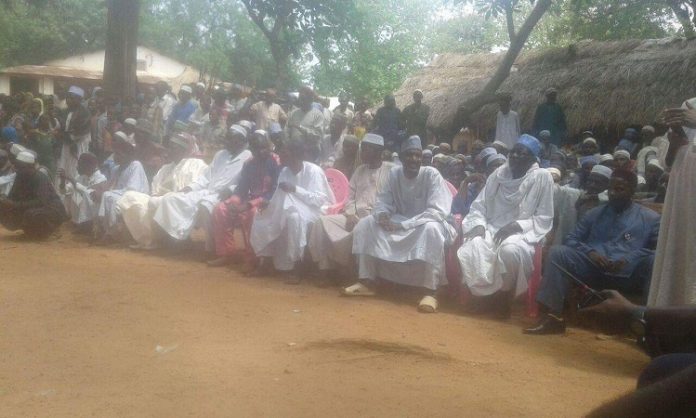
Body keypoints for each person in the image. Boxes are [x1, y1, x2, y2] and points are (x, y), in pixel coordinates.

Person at [525, 169, 660, 335]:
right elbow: (572, 239)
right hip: (594, 268)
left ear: (632, 191)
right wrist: (590, 253)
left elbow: (656, 249)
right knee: (558, 253)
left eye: (619, 189)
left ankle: (648, 325)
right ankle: (553, 317)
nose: (612, 193)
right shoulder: (594, 213)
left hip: (628, 273)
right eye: (610, 189)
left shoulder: (651, 218)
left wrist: (630, 259)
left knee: (654, 260)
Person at [343, 135, 456, 313]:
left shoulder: (431, 175)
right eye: (410, 155)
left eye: (418, 155)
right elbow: (383, 201)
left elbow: (437, 211)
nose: (414, 159)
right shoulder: (394, 173)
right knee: (367, 224)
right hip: (399, 221)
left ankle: (431, 292)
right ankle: (366, 281)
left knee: (431, 230)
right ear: (402, 158)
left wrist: (404, 225)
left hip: (428, 222)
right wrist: (382, 216)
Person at [457, 135, 554, 317]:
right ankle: (482, 297)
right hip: (491, 226)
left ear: (533, 158)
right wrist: (478, 224)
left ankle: (502, 299)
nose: (515, 156)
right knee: (475, 244)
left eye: (522, 153)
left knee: (509, 251)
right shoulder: (499, 174)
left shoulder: (542, 177)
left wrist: (516, 226)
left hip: (522, 231)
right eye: (514, 152)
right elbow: (479, 205)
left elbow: (544, 216)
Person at [153, 125, 252, 251]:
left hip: (227, 196)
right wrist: (190, 187)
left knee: (206, 206)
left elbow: (246, 181)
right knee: (171, 199)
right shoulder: (221, 154)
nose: (226, 141)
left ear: (241, 141)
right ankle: (179, 238)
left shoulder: (247, 156)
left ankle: (213, 247)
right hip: (207, 191)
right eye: (227, 138)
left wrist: (231, 190)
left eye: (231, 139)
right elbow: (206, 178)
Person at [250, 137, 334, 282]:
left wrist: (295, 189)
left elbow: (319, 200)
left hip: (315, 210)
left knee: (294, 218)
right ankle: (267, 260)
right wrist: (269, 204)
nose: (280, 155)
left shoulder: (314, 171)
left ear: (295, 155)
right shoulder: (284, 171)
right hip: (290, 207)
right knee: (262, 215)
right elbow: (280, 197)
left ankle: (297, 266)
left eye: (284, 152)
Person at [309, 133, 392, 278]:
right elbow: (350, 198)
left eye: (367, 149)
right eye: (362, 148)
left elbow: (391, 200)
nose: (362, 152)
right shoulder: (360, 170)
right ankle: (325, 268)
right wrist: (351, 214)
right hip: (353, 215)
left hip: (374, 219)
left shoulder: (391, 170)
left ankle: (349, 271)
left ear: (378, 152)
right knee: (322, 222)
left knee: (362, 228)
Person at [118, 134, 208, 250]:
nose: (168, 151)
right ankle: (148, 240)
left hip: (181, 203)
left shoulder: (197, 165)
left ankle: (176, 241)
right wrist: (156, 195)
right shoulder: (166, 168)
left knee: (163, 201)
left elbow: (197, 187)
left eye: (172, 147)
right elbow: (155, 187)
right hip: (157, 199)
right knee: (129, 197)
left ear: (182, 149)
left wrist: (173, 195)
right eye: (168, 147)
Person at [647, 102, 696, 306]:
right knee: (681, 246)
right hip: (684, 190)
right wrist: (676, 142)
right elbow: (667, 162)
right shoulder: (689, 105)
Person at [208, 130, 280, 267]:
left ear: (269, 146)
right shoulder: (249, 164)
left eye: (264, 148)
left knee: (252, 214)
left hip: (269, 203)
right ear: (251, 150)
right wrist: (234, 201)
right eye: (257, 149)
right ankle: (226, 254)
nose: (262, 152)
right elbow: (242, 187)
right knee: (221, 209)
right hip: (249, 201)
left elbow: (275, 190)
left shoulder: (276, 162)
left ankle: (252, 259)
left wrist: (249, 205)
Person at [95, 132, 150, 243]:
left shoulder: (135, 165)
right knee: (104, 196)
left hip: (136, 197)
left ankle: (111, 233)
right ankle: (104, 229)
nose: (116, 156)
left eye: (119, 154)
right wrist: (99, 191)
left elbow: (132, 189)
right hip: (123, 195)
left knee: (108, 196)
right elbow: (109, 185)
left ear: (127, 154)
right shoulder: (116, 168)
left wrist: (108, 192)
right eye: (116, 153)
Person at [0, 151, 66, 238]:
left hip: (51, 209)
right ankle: (30, 231)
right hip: (29, 206)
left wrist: (15, 204)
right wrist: (5, 200)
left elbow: (41, 202)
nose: (16, 169)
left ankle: (45, 232)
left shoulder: (40, 178)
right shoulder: (20, 176)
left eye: (20, 167)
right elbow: (13, 196)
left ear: (29, 167)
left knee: (32, 214)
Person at [60, 152, 107, 231]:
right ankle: (77, 222)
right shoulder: (80, 177)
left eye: (80, 164)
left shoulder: (101, 178)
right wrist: (62, 181)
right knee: (69, 195)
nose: (77, 167)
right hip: (80, 215)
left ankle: (90, 225)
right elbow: (64, 191)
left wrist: (72, 180)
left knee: (86, 193)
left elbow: (88, 193)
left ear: (88, 166)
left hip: (95, 214)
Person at [56, 86, 91, 183]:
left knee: (75, 169)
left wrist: (63, 136)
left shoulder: (84, 113)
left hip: (78, 146)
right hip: (66, 144)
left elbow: (80, 132)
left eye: (71, 98)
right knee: (64, 168)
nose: (68, 100)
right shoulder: (66, 111)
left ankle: (75, 191)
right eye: (67, 97)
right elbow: (62, 126)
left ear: (79, 99)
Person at [286, 86, 324, 162]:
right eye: (300, 98)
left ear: (310, 99)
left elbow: (317, 136)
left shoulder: (318, 115)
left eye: (303, 98)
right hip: (294, 153)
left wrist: (299, 127)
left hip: (309, 154)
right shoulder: (293, 113)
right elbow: (286, 130)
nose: (301, 101)